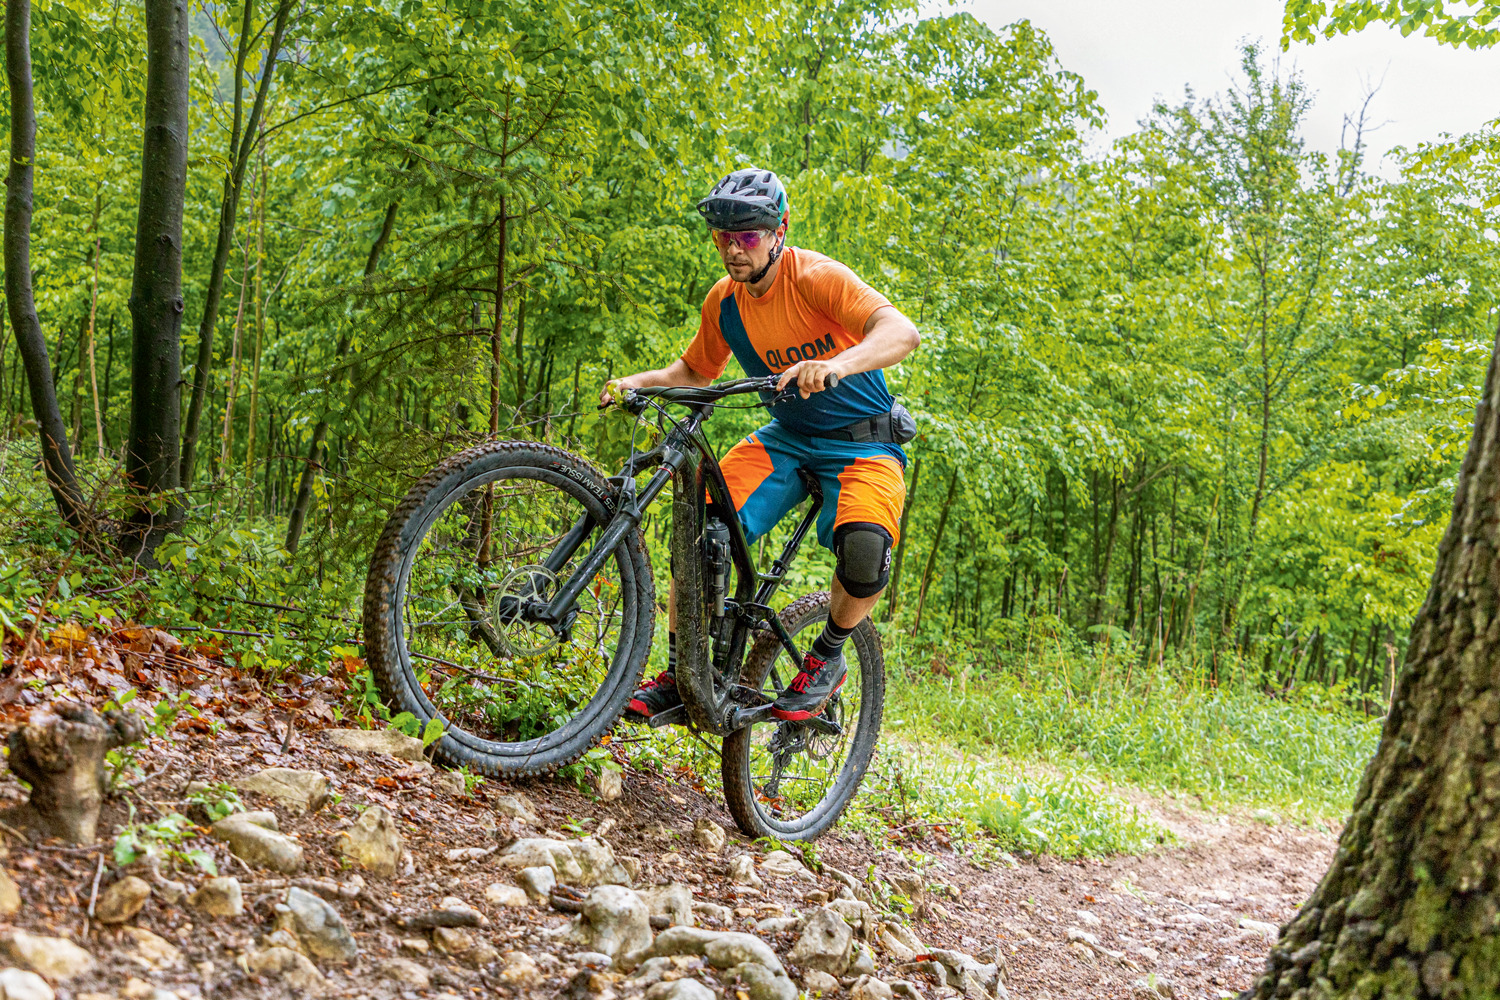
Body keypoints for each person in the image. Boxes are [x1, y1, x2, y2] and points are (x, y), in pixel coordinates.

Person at [602, 167, 920, 723]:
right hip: (786, 439)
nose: (734, 249)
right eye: (724, 237)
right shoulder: (725, 302)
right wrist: (637, 382)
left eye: (748, 235)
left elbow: (901, 333)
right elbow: (694, 371)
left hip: (864, 443)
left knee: (866, 552)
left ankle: (826, 657)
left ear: (779, 231)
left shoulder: (816, 277)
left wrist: (837, 364)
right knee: (698, 525)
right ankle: (683, 674)